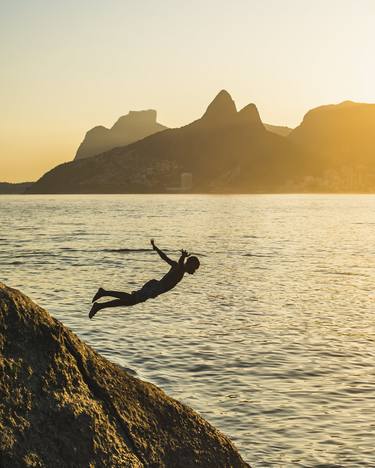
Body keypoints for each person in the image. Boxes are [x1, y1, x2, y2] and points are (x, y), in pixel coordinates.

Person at [89, 239, 200, 319]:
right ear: (189, 263)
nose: (194, 271)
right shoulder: (179, 268)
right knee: (131, 299)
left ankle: (100, 304)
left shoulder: (178, 267)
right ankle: (102, 295)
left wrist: (156, 248)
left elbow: (164, 257)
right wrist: (182, 257)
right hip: (153, 288)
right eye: (194, 267)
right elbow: (180, 264)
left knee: (130, 301)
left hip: (153, 287)